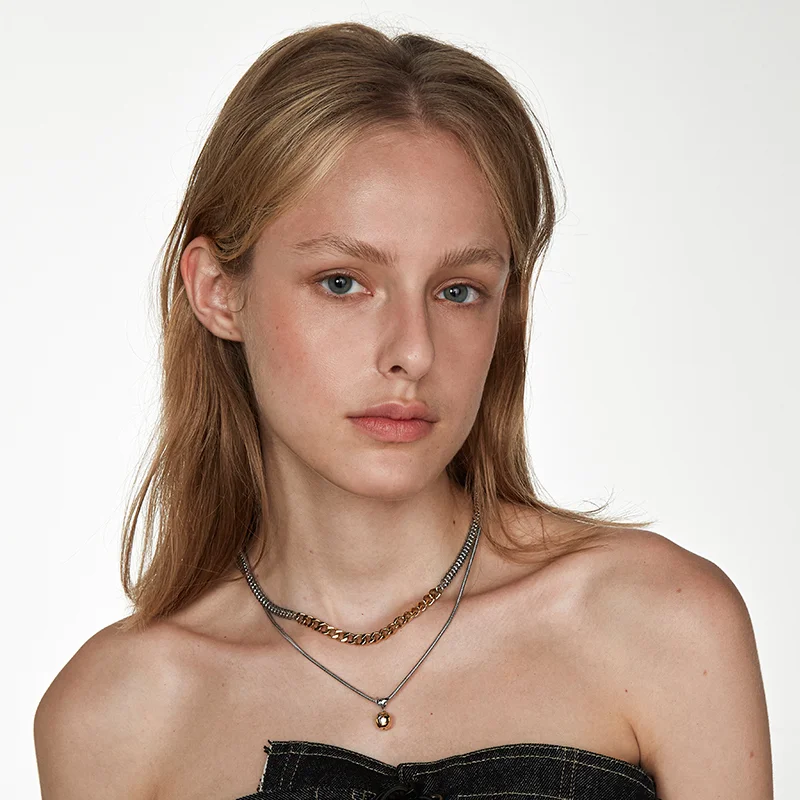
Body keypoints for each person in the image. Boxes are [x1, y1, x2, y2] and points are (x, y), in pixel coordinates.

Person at [33, 20, 772, 800]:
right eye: (343, 283)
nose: (412, 352)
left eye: (458, 291)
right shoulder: (114, 717)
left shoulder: (662, 624)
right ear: (219, 292)